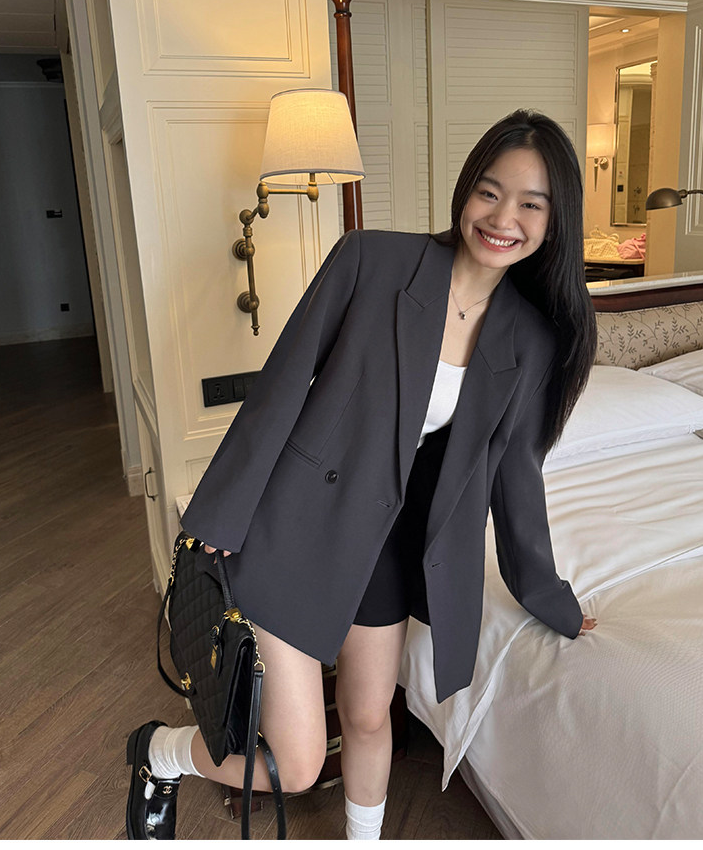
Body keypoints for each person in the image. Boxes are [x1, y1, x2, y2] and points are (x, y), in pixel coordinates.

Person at [126, 108, 598, 840]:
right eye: (489, 191)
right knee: (299, 764)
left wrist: (549, 597)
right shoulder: (372, 260)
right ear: (466, 190)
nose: (503, 218)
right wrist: (220, 513)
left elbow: (516, 480)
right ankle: (157, 751)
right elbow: (283, 385)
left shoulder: (529, 339)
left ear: (554, 221)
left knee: (370, 720)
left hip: (386, 552)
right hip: (296, 530)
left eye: (531, 204)